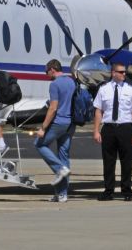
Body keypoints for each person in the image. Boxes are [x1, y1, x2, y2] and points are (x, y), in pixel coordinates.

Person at [93, 62, 132, 202]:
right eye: (121, 72)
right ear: (113, 73)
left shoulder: (130, 90)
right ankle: (108, 191)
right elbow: (98, 111)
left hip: (125, 128)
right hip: (108, 128)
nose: (124, 74)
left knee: (126, 161)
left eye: (125, 72)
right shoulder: (103, 90)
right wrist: (96, 130)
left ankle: (127, 191)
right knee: (108, 162)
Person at [34, 59, 75, 202]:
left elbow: (53, 108)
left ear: (52, 69)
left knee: (39, 144)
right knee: (64, 154)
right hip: (71, 123)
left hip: (59, 122)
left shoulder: (55, 84)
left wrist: (43, 128)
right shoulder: (71, 82)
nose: (46, 75)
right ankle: (62, 194)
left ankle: (59, 169)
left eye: (46, 71)